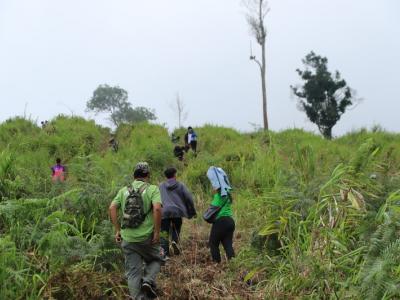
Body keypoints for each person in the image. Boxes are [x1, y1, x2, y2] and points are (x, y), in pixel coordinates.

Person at [109, 162, 163, 299]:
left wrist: (117, 230)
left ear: (134, 176)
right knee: (159, 257)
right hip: (147, 238)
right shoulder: (152, 189)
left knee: (133, 273)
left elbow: (112, 208)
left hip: (128, 239)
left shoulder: (123, 191)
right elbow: (157, 208)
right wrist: (156, 232)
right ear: (148, 175)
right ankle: (148, 281)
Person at [159, 167, 196, 257]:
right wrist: (192, 211)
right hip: (177, 211)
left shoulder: (161, 186)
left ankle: (165, 255)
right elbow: (189, 198)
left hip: (164, 212)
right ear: (175, 175)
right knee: (176, 228)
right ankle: (174, 241)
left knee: (164, 232)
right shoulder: (180, 185)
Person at [206, 166, 235, 263]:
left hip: (221, 221)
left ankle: (216, 265)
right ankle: (233, 264)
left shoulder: (219, 196)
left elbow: (212, 209)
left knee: (213, 244)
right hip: (230, 221)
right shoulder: (228, 194)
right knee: (228, 244)